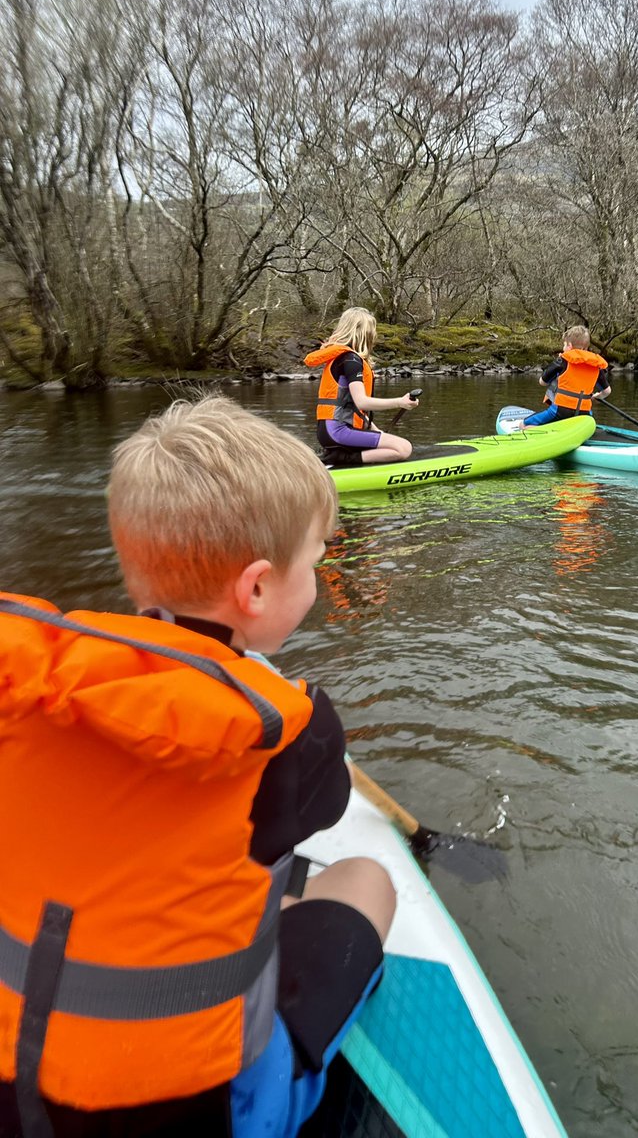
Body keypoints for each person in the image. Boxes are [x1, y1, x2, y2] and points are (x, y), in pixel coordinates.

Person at [0, 396, 396, 1138]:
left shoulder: (27, 689)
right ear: (255, 589)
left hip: (13, 1092)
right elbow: (327, 805)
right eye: (314, 563)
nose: (317, 579)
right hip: (197, 1115)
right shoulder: (288, 735)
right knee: (366, 881)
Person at [304, 307, 419, 467]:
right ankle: (339, 459)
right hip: (338, 432)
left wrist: (375, 430)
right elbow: (362, 403)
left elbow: (353, 408)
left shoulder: (344, 358)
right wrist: (400, 402)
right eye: (372, 330)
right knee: (403, 448)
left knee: (392, 442)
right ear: (363, 333)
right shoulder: (351, 360)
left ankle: (340, 455)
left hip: (329, 432)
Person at [515, 325, 610, 428]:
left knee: (523, 424)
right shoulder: (596, 366)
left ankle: (542, 434)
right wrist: (596, 397)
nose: (563, 348)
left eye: (564, 345)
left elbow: (542, 382)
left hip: (560, 411)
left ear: (569, 346)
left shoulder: (562, 361)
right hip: (585, 414)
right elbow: (607, 391)